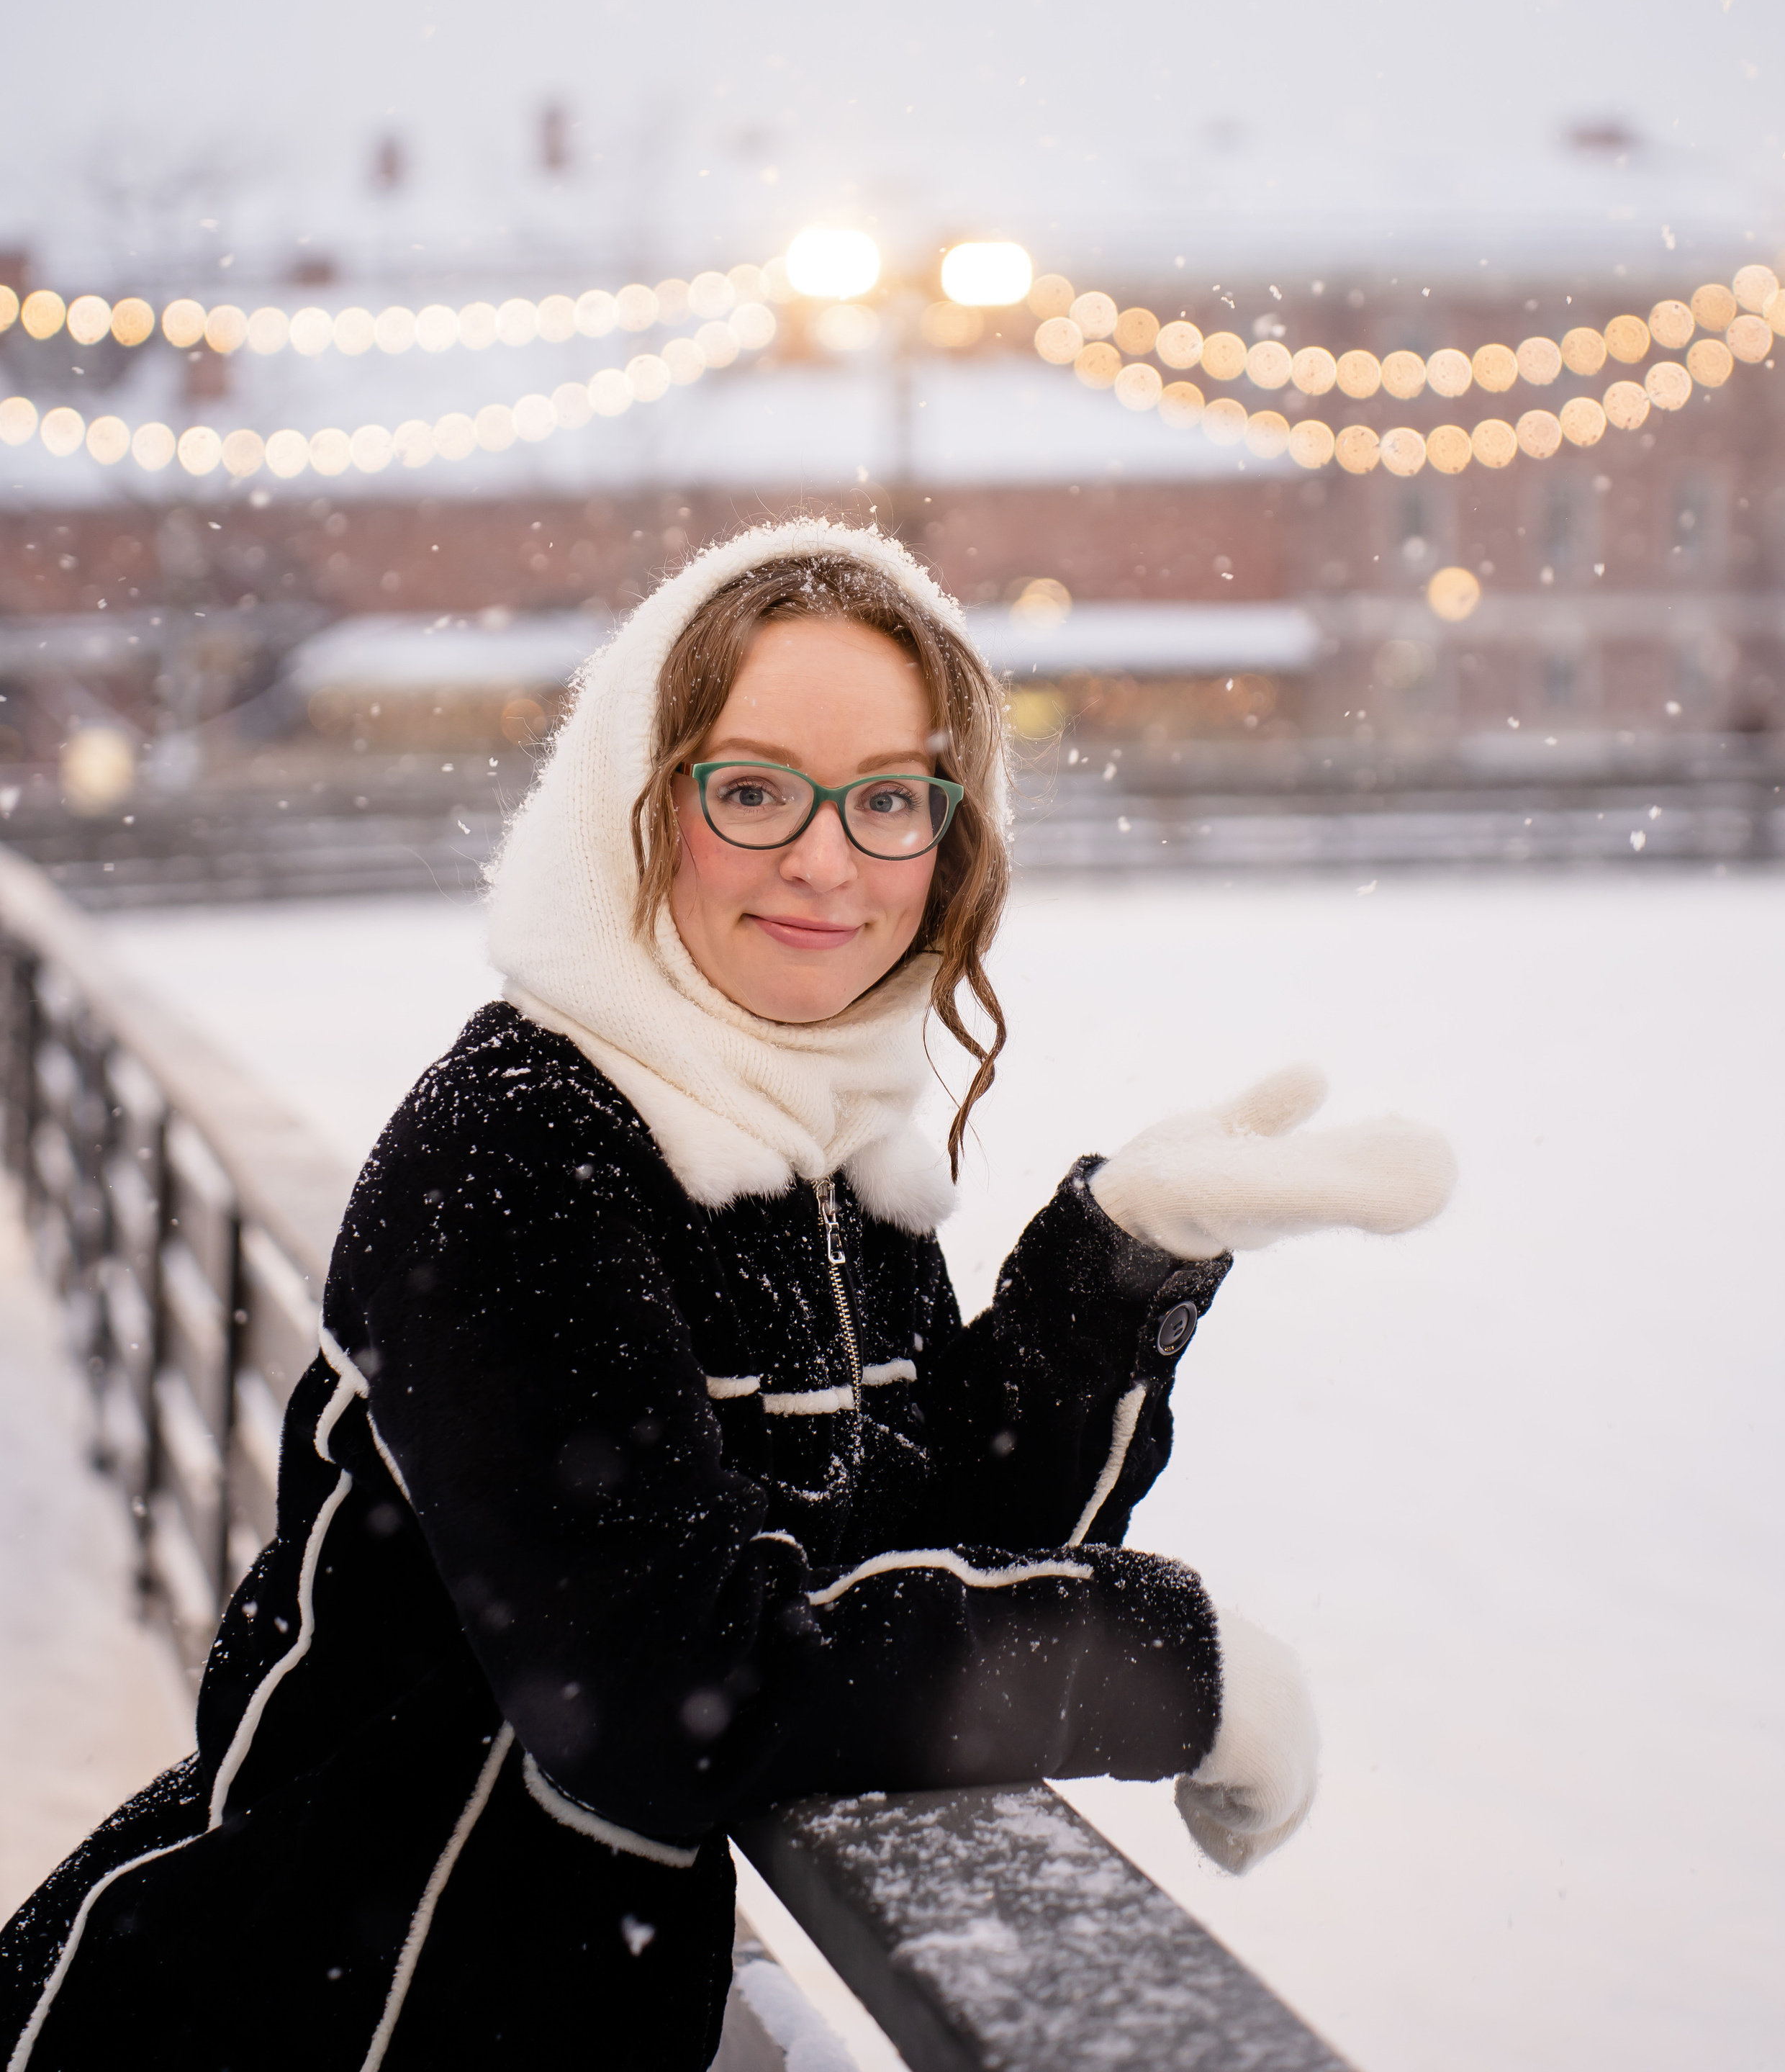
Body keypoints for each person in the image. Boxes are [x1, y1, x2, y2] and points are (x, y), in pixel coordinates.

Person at [0, 518, 1454, 2069]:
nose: (826, 859)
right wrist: (1154, 1661)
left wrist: (1114, 1265)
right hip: (294, 2017)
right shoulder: (520, 1143)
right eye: (750, 789)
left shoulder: (825, 1151)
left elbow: (920, 1549)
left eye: (889, 798)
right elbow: (663, 1697)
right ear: (632, 808)